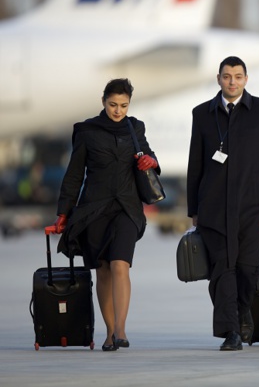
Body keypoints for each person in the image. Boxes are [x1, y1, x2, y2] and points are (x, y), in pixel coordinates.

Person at [187, 56, 259, 351]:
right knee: (222, 269)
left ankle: (242, 310)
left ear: (246, 79)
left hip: (252, 206)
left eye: (237, 76)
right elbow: (195, 164)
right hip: (213, 208)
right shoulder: (202, 114)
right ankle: (231, 331)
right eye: (226, 76)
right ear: (219, 79)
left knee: (247, 270)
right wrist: (193, 209)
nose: (232, 81)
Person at [50, 78, 160, 351]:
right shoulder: (86, 131)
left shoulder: (135, 128)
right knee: (103, 271)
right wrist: (63, 213)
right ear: (103, 102)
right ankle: (110, 332)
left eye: (123, 105)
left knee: (120, 264)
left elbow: (150, 157)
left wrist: (152, 161)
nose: (118, 110)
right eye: (113, 104)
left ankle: (121, 329)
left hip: (127, 208)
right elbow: (74, 175)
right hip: (94, 209)